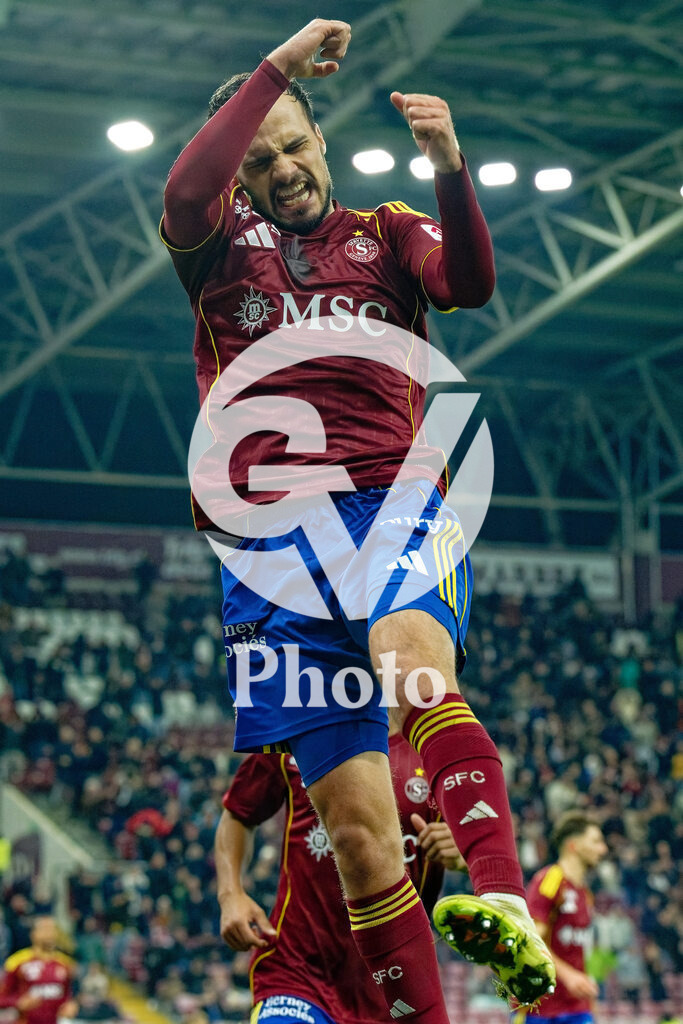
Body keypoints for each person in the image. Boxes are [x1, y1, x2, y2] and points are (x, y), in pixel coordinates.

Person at [162, 16, 554, 1018]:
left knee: (410, 661)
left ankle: (503, 897)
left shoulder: (384, 231)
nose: (283, 169)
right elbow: (185, 194)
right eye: (260, 161)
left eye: (294, 145)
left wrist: (450, 170)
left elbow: (468, 284)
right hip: (268, 551)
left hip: (391, 498)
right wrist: (277, 68)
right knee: (360, 840)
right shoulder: (216, 250)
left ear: (321, 140)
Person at [215, 731, 465, 1024]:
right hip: (297, 974)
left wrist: (462, 852)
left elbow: (485, 839)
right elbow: (239, 812)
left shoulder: (436, 747)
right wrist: (230, 894)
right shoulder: (296, 728)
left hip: (393, 988)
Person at [513, 812, 609, 1024]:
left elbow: (578, 955)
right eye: (595, 841)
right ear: (573, 845)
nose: (603, 849)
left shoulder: (585, 894)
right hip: (540, 1008)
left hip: (577, 1007)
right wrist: (569, 976)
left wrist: (591, 1004)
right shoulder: (551, 880)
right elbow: (530, 942)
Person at [0, 916, 77, 1024]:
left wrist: (71, 1005)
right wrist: (18, 1002)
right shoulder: (17, 962)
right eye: (44, 929)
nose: (49, 934)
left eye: (52, 929)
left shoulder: (66, 963)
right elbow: (2, 998)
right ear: (33, 934)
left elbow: (68, 996)